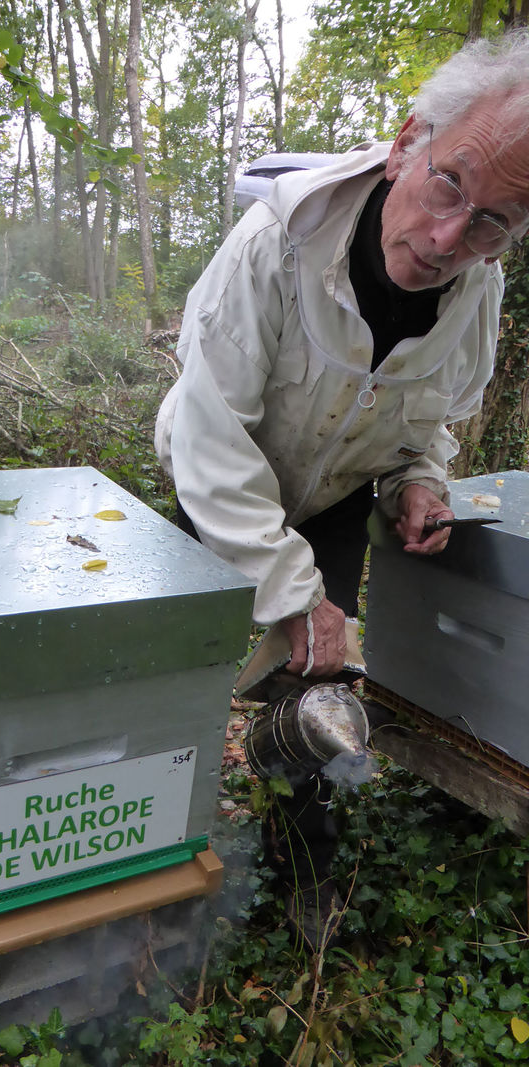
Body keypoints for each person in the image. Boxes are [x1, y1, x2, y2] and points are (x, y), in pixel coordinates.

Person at [155, 32, 529, 946]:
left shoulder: (479, 297)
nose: (451, 239)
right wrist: (286, 588)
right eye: (450, 185)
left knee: (321, 681)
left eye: (493, 224)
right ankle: (154, 851)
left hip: (328, 502)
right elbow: (209, 434)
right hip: (218, 479)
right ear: (407, 144)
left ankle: (302, 863)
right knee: (172, 675)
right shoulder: (276, 241)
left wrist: (417, 481)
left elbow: (428, 418)